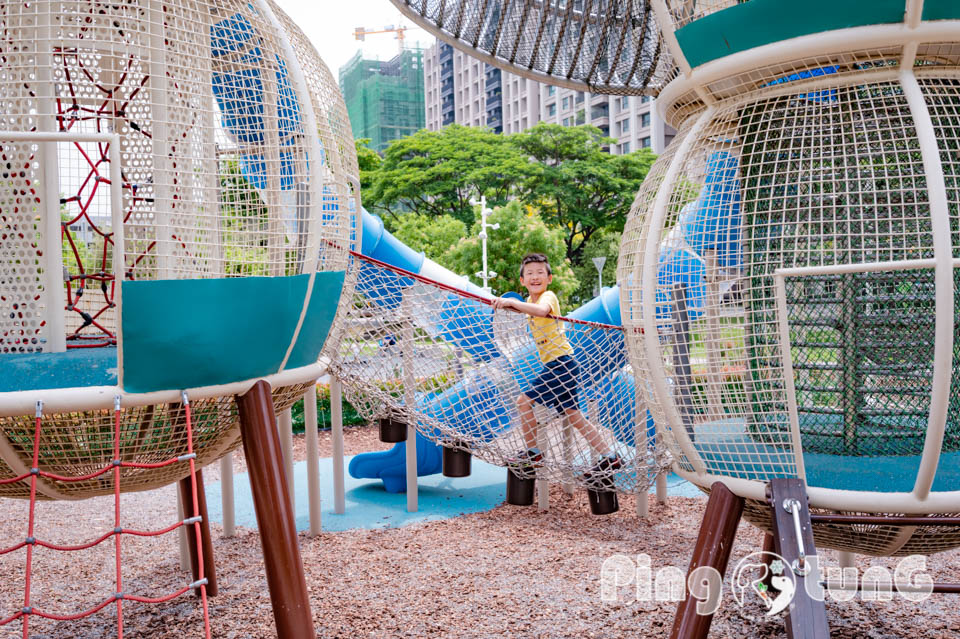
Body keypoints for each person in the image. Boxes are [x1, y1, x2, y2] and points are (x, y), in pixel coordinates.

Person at [492, 253, 621, 480]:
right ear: (522, 281)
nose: (535, 277)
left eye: (540, 273)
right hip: (562, 364)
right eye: (529, 273)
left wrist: (512, 302)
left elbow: (542, 311)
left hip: (560, 364)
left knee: (523, 403)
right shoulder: (530, 302)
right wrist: (504, 304)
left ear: (549, 278)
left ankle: (533, 453)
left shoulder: (547, 297)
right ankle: (610, 456)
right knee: (573, 415)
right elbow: (528, 308)